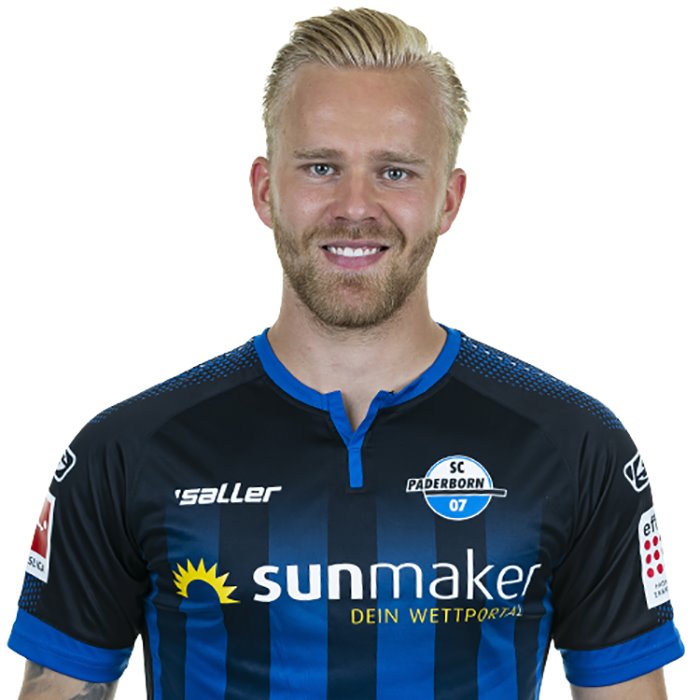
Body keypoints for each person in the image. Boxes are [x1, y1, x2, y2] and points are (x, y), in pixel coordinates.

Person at [8, 6, 684, 699]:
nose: (355, 206)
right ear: (265, 190)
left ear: (449, 201)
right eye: (322, 167)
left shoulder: (575, 447)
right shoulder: (126, 452)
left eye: (396, 172)